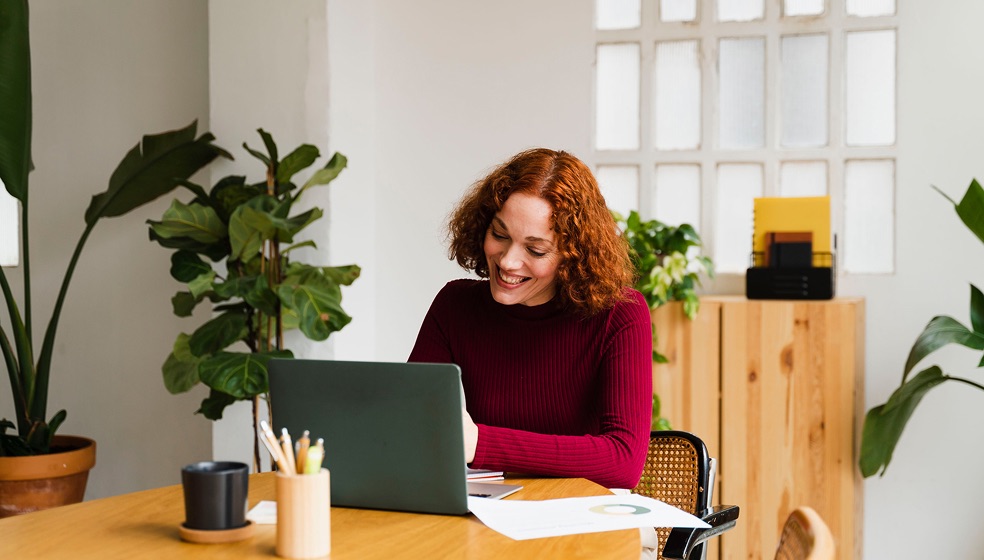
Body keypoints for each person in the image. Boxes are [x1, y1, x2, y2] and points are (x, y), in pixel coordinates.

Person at [408, 148, 653, 489]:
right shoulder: (455, 306)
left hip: (581, 512)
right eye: (500, 235)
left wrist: (479, 444)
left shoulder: (620, 315)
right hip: (486, 510)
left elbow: (623, 460)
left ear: (573, 256)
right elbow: (412, 426)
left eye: (535, 250)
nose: (508, 261)